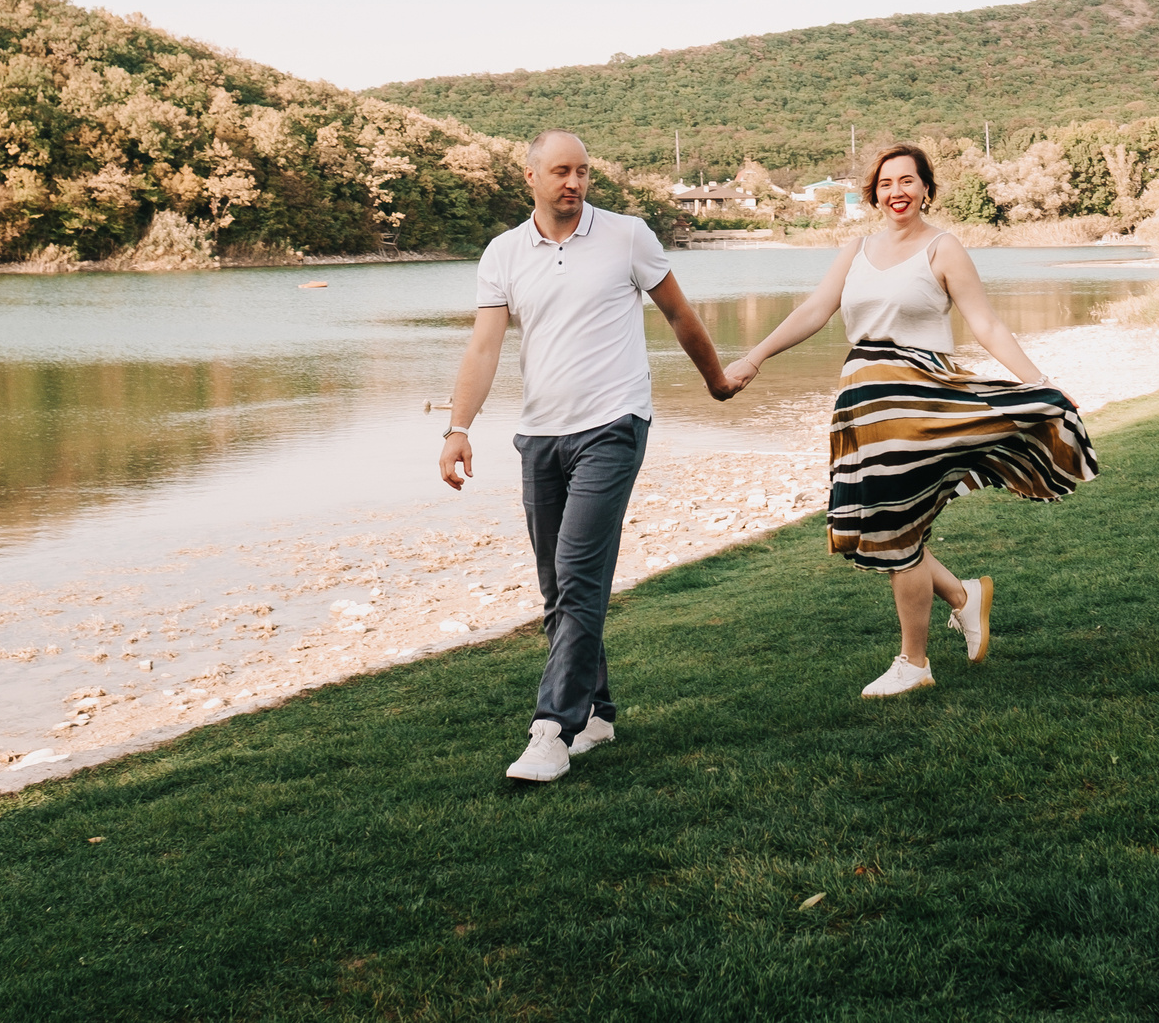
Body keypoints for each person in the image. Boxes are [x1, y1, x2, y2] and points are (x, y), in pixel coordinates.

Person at [722, 142, 1096, 698]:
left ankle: (914, 662)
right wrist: (754, 357)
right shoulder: (857, 249)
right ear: (875, 191)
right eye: (887, 183)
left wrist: (1037, 382)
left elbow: (987, 324)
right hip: (865, 401)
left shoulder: (943, 249)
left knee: (895, 525)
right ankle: (964, 598)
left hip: (921, 397)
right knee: (885, 522)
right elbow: (814, 310)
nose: (897, 192)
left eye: (908, 181)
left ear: (926, 188)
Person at [439, 128, 740, 783]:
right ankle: (598, 712)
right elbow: (484, 348)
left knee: (577, 573)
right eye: (560, 171)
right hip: (540, 436)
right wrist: (457, 426)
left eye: (582, 171)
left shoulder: (628, 235)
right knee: (559, 585)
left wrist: (715, 378)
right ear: (531, 178)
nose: (572, 182)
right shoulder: (503, 253)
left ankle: (553, 729)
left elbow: (681, 315)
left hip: (614, 425)